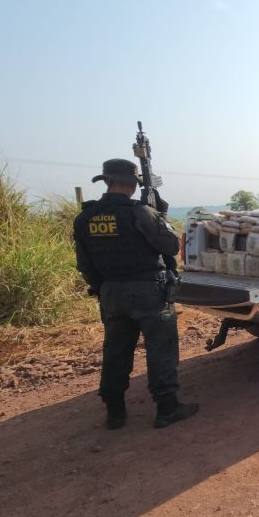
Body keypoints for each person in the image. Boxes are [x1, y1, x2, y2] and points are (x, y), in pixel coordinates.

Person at [73, 158, 199, 430]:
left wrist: (103, 288)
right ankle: (167, 408)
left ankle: (115, 413)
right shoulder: (140, 212)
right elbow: (170, 246)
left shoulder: (85, 217)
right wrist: (161, 214)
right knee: (160, 349)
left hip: (111, 293)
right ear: (133, 185)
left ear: (106, 181)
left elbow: (85, 264)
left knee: (115, 351)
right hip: (148, 291)